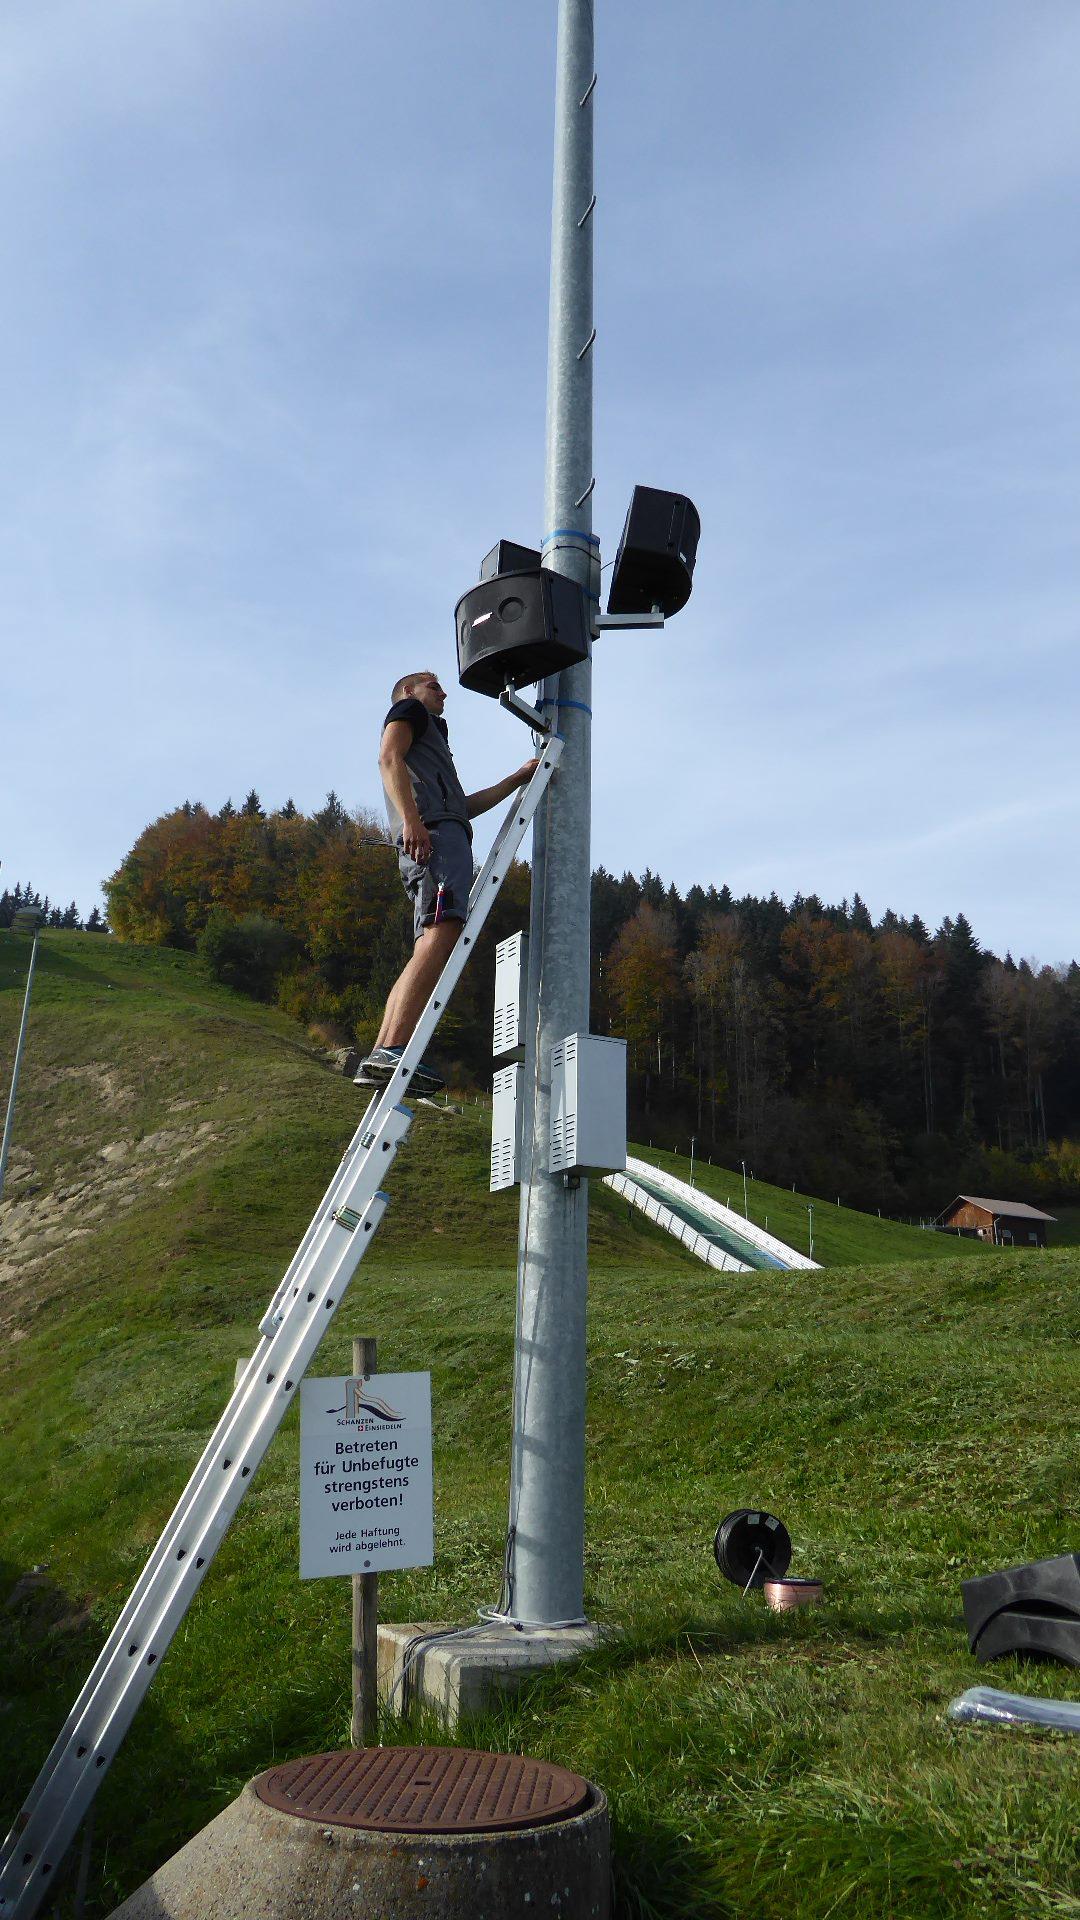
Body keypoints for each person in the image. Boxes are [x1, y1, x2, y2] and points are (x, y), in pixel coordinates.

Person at [356, 670, 538, 1094]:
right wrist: (413, 822)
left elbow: (462, 807)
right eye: (433, 685)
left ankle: (385, 1049)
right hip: (434, 839)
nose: (443, 693)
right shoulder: (408, 711)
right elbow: (387, 759)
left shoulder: (433, 747)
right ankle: (393, 1047)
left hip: (443, 833)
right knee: (442, 932)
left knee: (433, 938)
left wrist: (514, 780)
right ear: (407, 691)